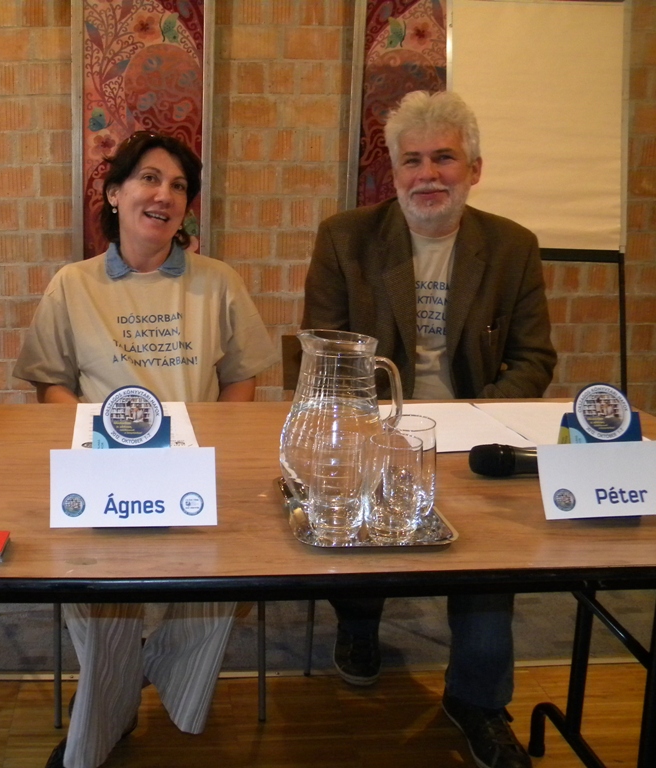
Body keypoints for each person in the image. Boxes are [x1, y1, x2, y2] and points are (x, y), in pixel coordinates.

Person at [302, 90, 556, 768]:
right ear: (393, 174)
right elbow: (322, 352)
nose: (427, 175)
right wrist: (377, 430)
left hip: (474, 433)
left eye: (444, 157)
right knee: (356, 491)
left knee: (490, 557)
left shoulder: (513, 247)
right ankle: (360, 623)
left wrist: (471, 423)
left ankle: (477, 701)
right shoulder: (347, 239)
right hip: (374, 430)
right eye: (411, 161)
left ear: (475, 168)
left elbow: (534, 359)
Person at [14, 131, 276, 768]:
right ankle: (108, 713)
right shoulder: (72, 285)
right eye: (150, 179)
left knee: (222, 580)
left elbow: (242, 375)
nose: (165, 195)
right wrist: (99, 445)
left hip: (192, 474)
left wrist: (209, 441)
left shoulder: (219, 282)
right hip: (103, 474)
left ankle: (116, 691)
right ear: (114, 193)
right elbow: (50, 383)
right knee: (102, 595)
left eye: (179, 186)